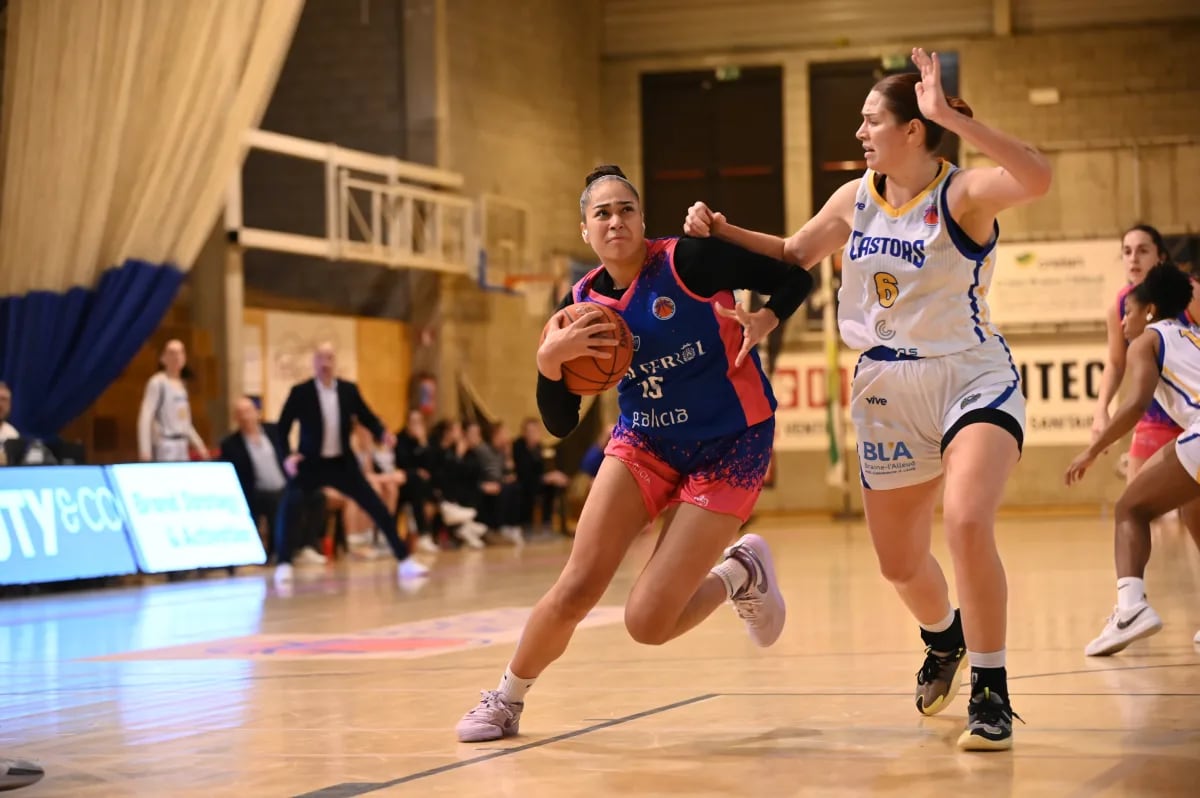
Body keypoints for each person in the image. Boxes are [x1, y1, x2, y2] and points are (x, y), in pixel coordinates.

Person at [682, 48, 1052, 750]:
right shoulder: (856, 197)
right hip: (885, 385)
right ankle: (946, 640)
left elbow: (1037, 177)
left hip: (969, 374)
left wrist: (952, 116)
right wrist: (723, 231)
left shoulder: (962, 193)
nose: (860, 132)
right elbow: (794, 252)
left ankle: (994, 691)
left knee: (968, 523)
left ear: (914, 129)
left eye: (871, 119)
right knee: (898, 563)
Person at [454, 162, 813, 743]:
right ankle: (506, 698)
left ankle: (739, 572)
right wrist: (549, 363)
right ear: (585, 231)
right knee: (577, 583)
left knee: (646, 623)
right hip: (645, 441)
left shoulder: (690, 261)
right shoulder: (580, 305)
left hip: (731, 442)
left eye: (625, 209)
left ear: (643, 218)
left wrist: (768, 316)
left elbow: (797, 275)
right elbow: (560, 422)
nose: (615, 220)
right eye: (602, 213)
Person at [1066, 263, 1200, 653]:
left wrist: (1093, 449)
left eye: (1130, 312)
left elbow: (1135, 403)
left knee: (1130, 509)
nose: (1124, 322)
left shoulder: (1149, 339)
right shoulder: (1192, 336)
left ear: (1151, 311)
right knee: (1193, 507)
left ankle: (1130, 610)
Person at [274, 343, 429, 580]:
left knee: (376, 506)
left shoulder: (348, 391)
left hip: (342, 464)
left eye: (329, 358)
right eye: (320, 358)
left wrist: (382, 433)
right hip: (311, 463)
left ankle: (404, 560)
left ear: (335, 362)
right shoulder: (301, 392)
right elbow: (281, 428)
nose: (325, 363)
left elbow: (367, 417)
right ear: (314, 362)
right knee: (290, 504)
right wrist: (287, 456)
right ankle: (284, 563)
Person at [1093, 224, 1200, 529]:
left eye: (1142, 250)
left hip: (1192, 416)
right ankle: (1141, 578)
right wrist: (1101, 409)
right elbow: (1115, 363)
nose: (1133, 259)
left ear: (1161, 256)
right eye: (1127, 252)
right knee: (1134, 510)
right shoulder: (1121, 305)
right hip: (1155, 416)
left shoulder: (1189, 292)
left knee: (1192, 517)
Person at [220, 396, 327, 575]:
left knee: (317, 496)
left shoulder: (274, 431)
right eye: (240, 414)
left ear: (257, 413)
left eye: (248, 411)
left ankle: (306, 546)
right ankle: (281, 551)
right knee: (279, 500)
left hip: (286, 484)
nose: (245, 417)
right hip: (257, 492)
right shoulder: (231, 444)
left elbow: (288, 454)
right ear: (235, 418)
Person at [137, 339, 209, 462]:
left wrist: (200, 446)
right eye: (172, 353)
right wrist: (145, 449)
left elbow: (185, 422)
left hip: (182, 443)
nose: (177, 357)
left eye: (180, 352)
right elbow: (146, 416)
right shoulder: (157, 382)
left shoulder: (182, 385)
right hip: (166, 444)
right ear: (163, 358)